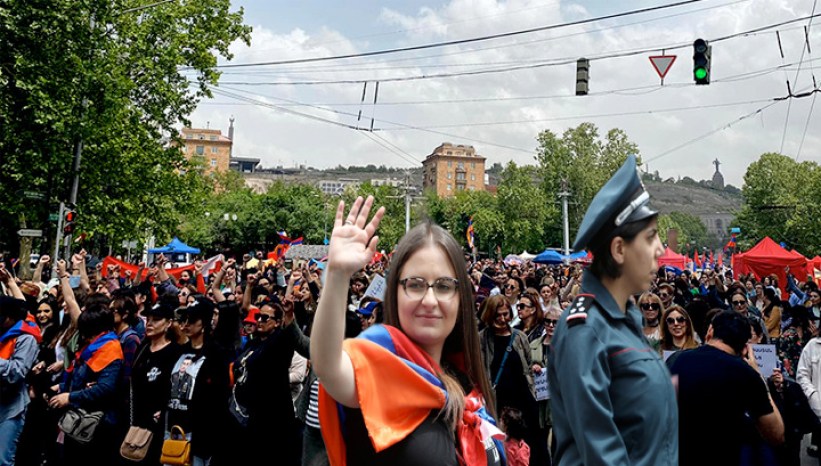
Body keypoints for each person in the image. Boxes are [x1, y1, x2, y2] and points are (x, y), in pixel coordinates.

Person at [312, 196, 505, 466]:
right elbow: (328, 366)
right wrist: (336, 275)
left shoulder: (466, 383)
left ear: (461, 298)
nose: (429, 300)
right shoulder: (377, 368)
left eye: (444, 286)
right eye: (415, 285)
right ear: (395, 293)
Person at [547, 154, 678, 465]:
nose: (660, 249)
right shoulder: (586, 330)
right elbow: (602, 454)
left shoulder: (625, 320)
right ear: (619, 249)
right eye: (650, 237)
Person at [669, 310, 785, 466]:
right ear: (745, 348)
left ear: (710, 331)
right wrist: (759, 377)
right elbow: (776, 434)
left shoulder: (677, 360)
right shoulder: (747, 375)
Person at [130, 302, 182, 466]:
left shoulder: (175, 352)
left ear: (168, 323)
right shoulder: (143, 348)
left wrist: (164, 410)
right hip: (136, 420)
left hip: (160, 424)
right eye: (149, 319)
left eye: (156, 319)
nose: (150, 323)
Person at [0, 273, 41, 466]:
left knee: (2, 460)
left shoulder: (26, 338)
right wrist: (8, 282)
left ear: (9, 318)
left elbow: (17, 372)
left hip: (10, 409)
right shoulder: (4, 331)